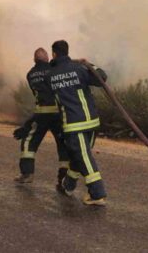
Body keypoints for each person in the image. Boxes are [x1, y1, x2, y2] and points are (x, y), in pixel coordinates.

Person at [47, 40, 108, 206]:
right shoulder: (79, 69)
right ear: (68, 52)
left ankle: (97, 193)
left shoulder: (50, 75)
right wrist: (89, 64)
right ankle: (68, 185)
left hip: (74, 124)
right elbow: (102, 78)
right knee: (79, 155)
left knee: (83, 156)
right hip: (91, 121)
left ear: (53, 53)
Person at [13, 48, 70, 190]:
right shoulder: (55, 69)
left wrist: (27, 124)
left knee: (28, 142)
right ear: (48, 58)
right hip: (58, 114)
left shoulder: (31, 74)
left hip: (42, 114)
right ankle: (63, 178)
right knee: (63, 145)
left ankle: (27, 174)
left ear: (34, 60)